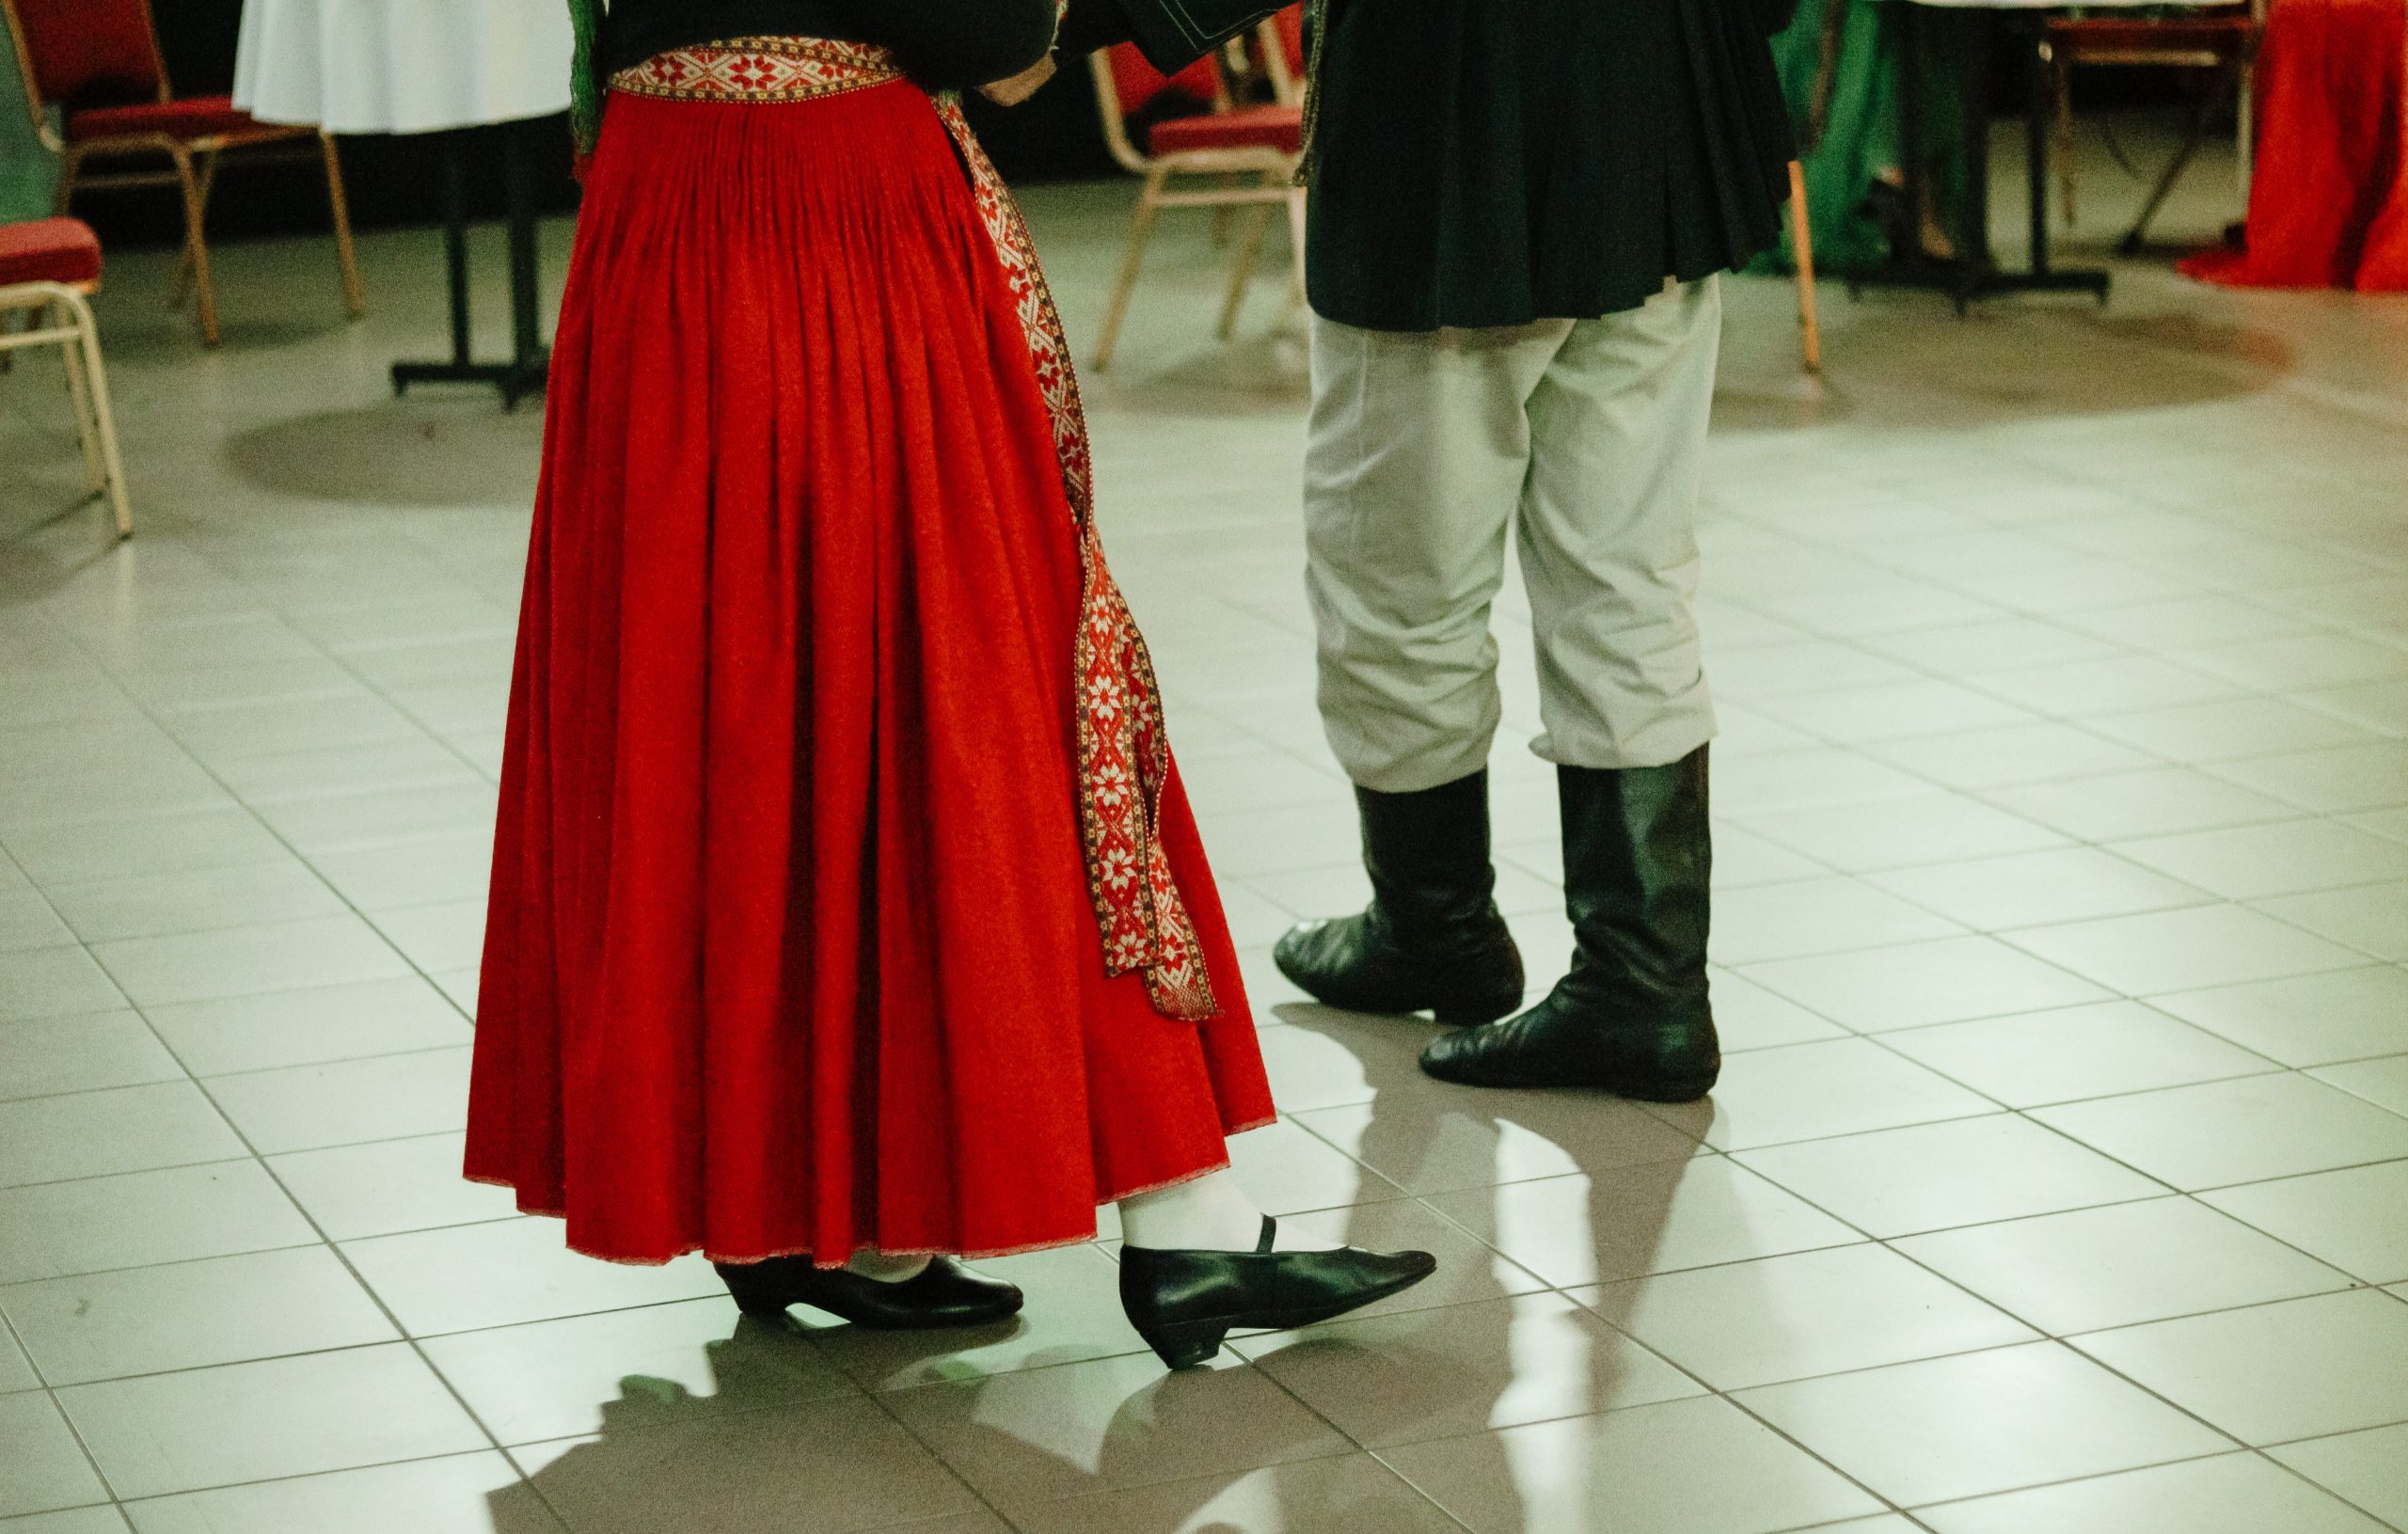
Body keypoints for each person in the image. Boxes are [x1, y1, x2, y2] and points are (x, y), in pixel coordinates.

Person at [463, 0, 1433, 1369]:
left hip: (666, 208)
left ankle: (803, 1215)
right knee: (982, 693)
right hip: (835, 214)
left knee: (725, 702)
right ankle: (1183, 1222)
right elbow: (972, 21)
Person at [1055, 0, 1798, 1102]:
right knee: (1627, 573)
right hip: (1661, 103)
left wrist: (1041, 31)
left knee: (1395, 576)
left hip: (1449, 112)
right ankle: (1645, 985)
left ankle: (1432, 930)